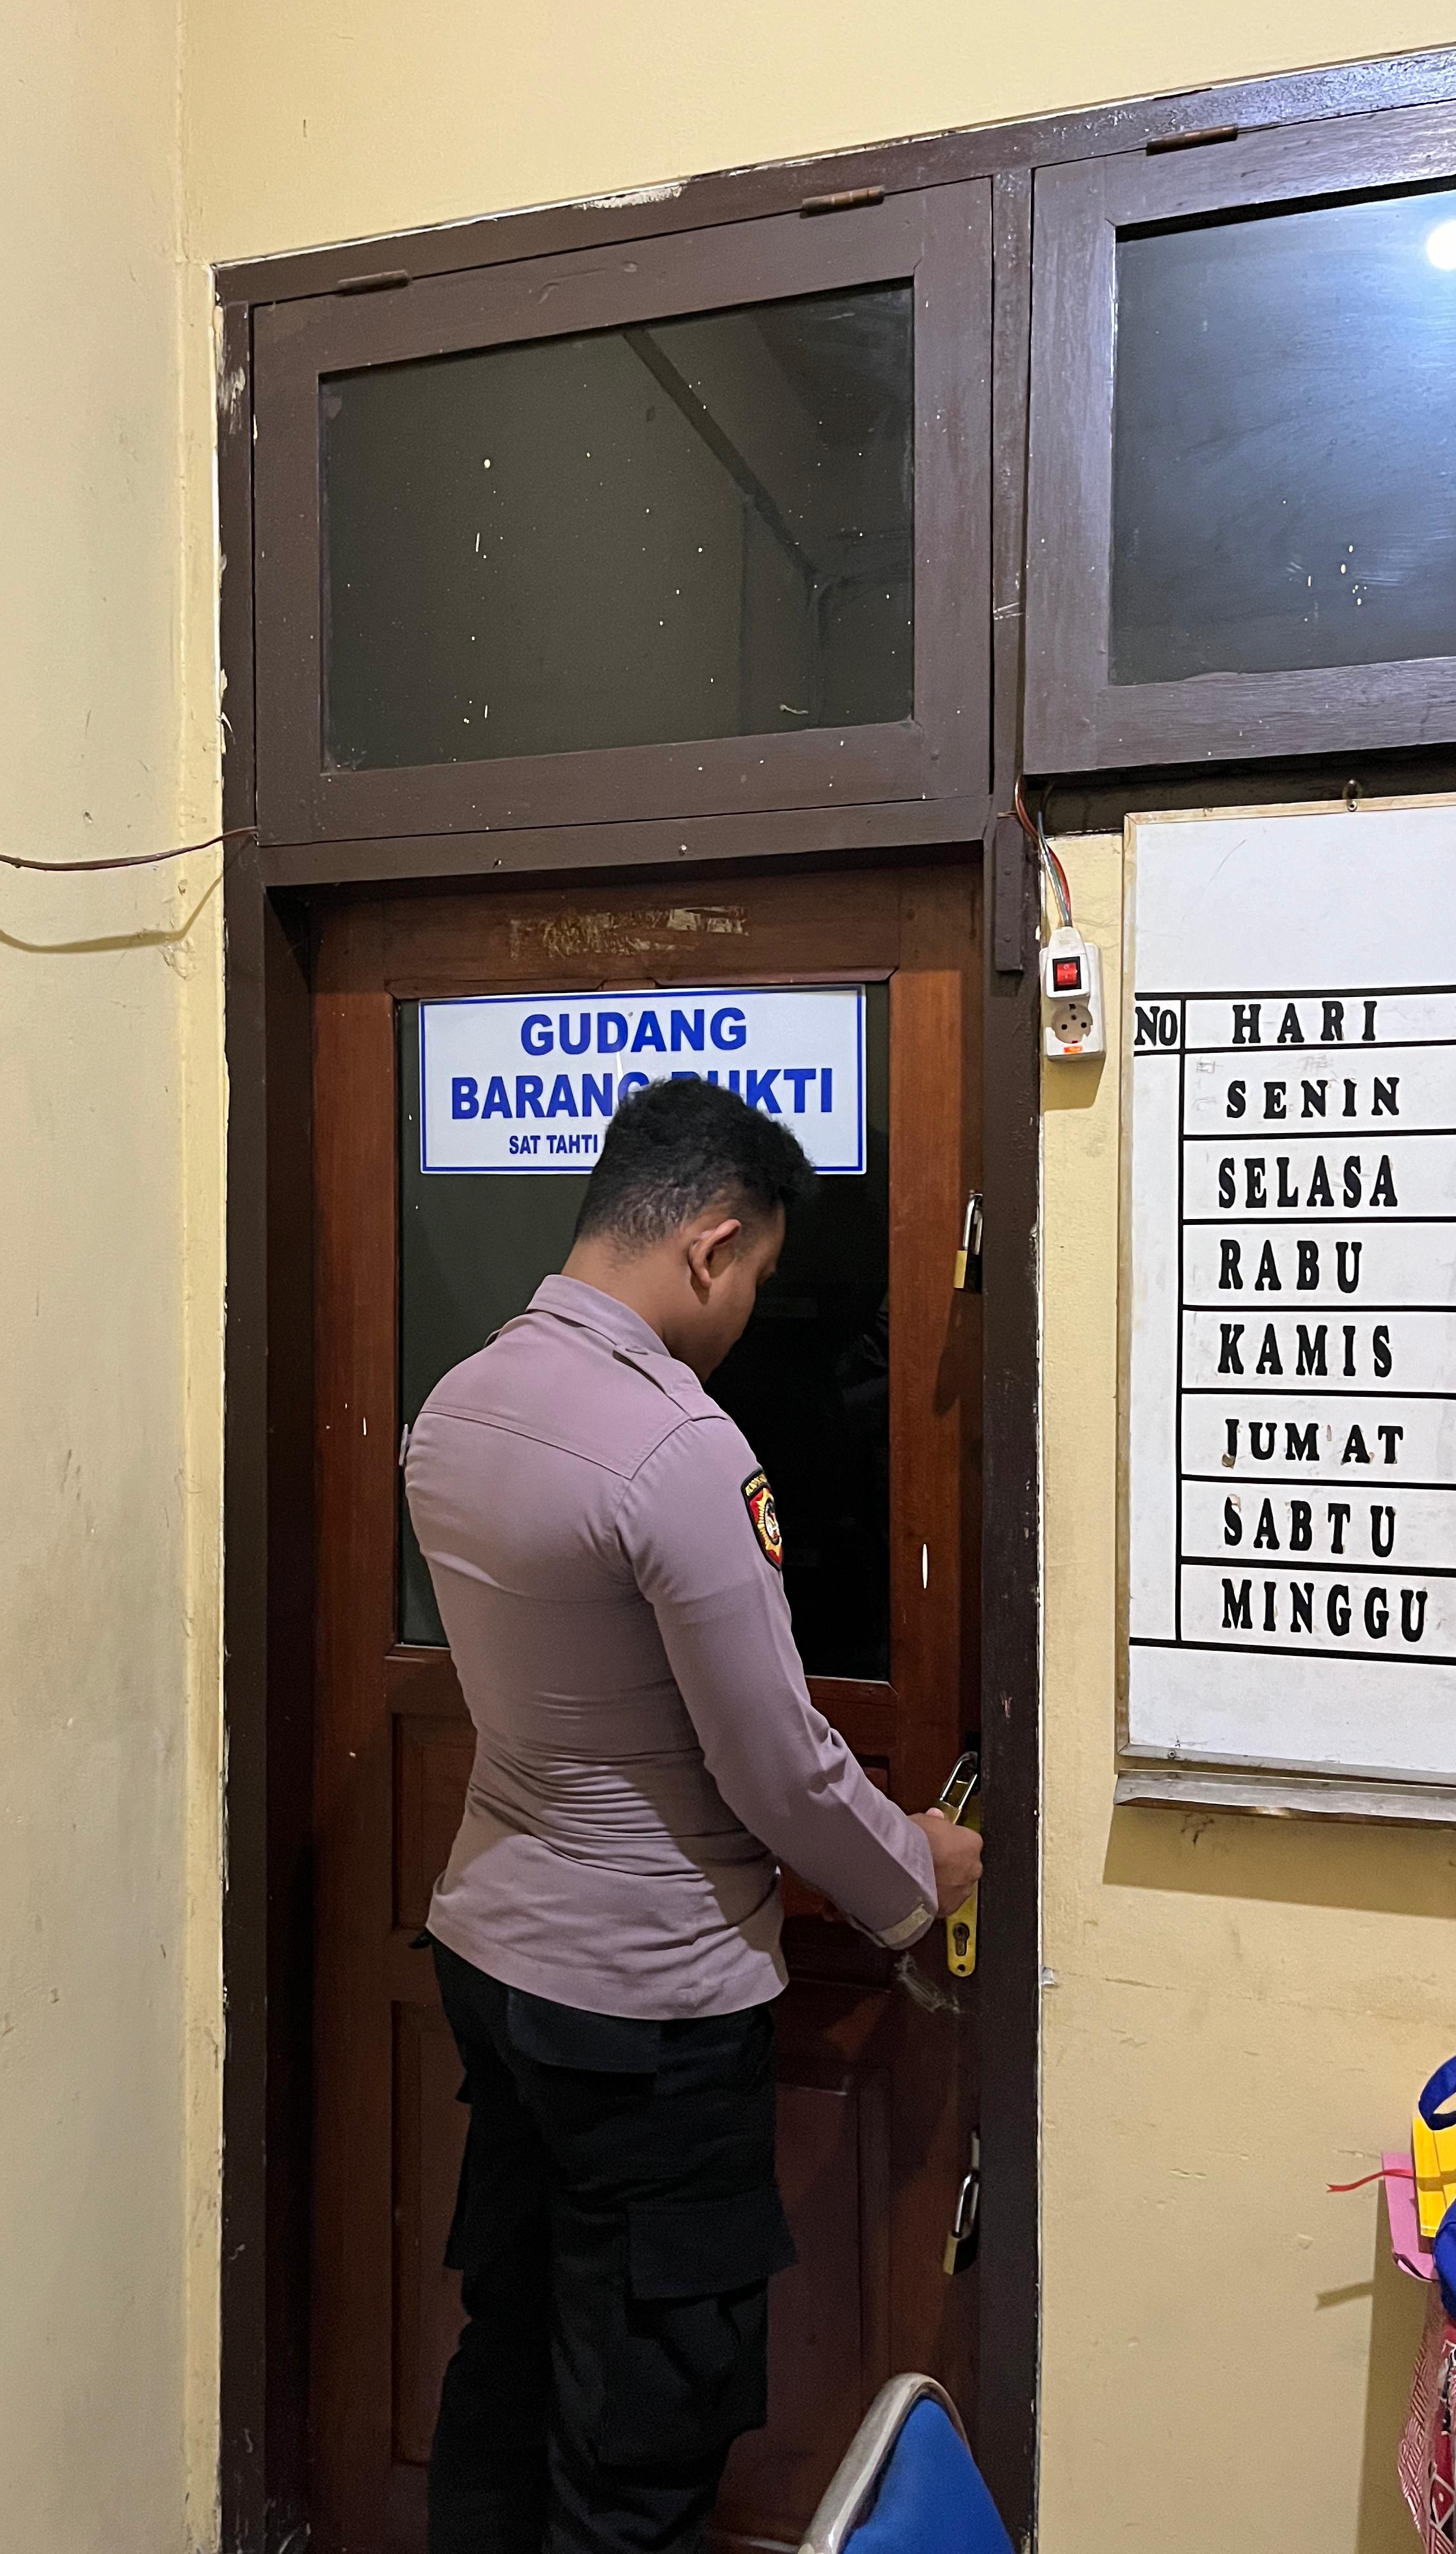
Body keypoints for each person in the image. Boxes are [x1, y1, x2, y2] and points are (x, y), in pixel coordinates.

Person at [403, 1076, 984, 2554]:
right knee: (643, 2436)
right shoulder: (681, 1449)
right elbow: (776, 1764)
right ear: (712, 1246)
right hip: (642, 2012)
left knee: (510, 2354)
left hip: (493, 1956)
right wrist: (915, 1872)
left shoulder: (457, 1402)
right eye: (761, 1277)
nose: (750, 1314)